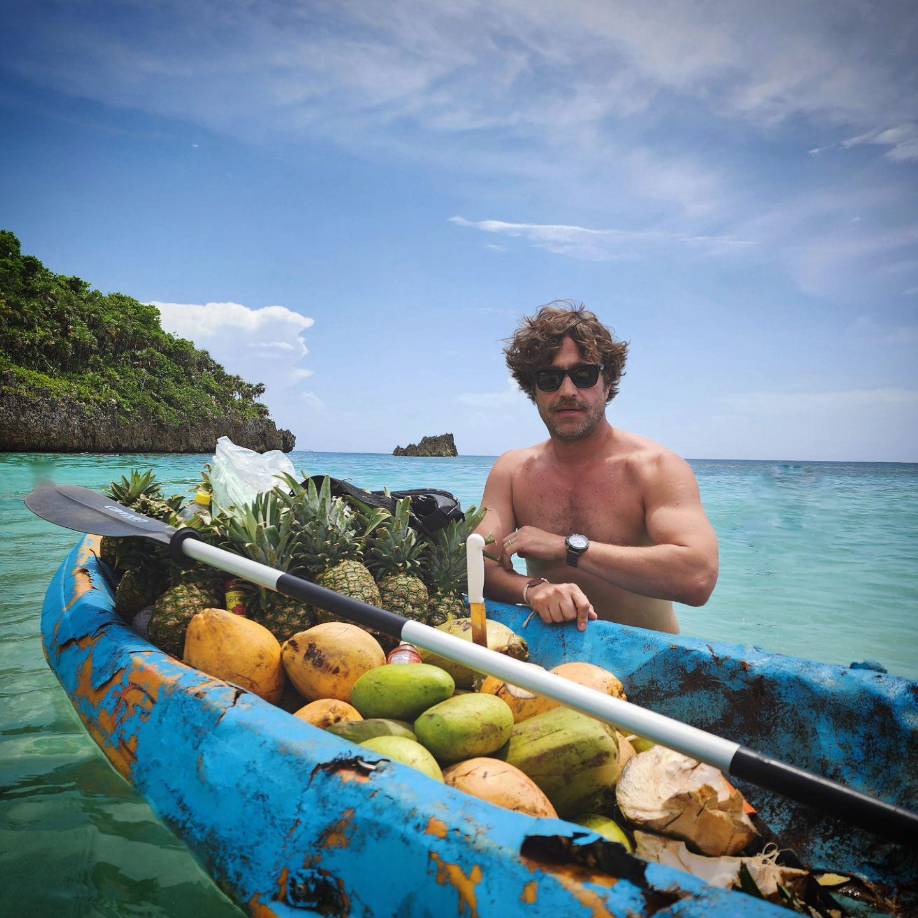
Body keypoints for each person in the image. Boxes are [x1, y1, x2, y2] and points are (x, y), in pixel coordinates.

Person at [476, 302, 718, 634]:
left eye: (583, 374)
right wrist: (532, 589)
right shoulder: (514, 471)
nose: (567, 391)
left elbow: (698, 576)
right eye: (549, 378)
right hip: (549, 654)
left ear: (607, 383)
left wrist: (568, 548)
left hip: (647, 660)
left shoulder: (655, 468)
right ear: (533, 391)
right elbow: (476, 564)